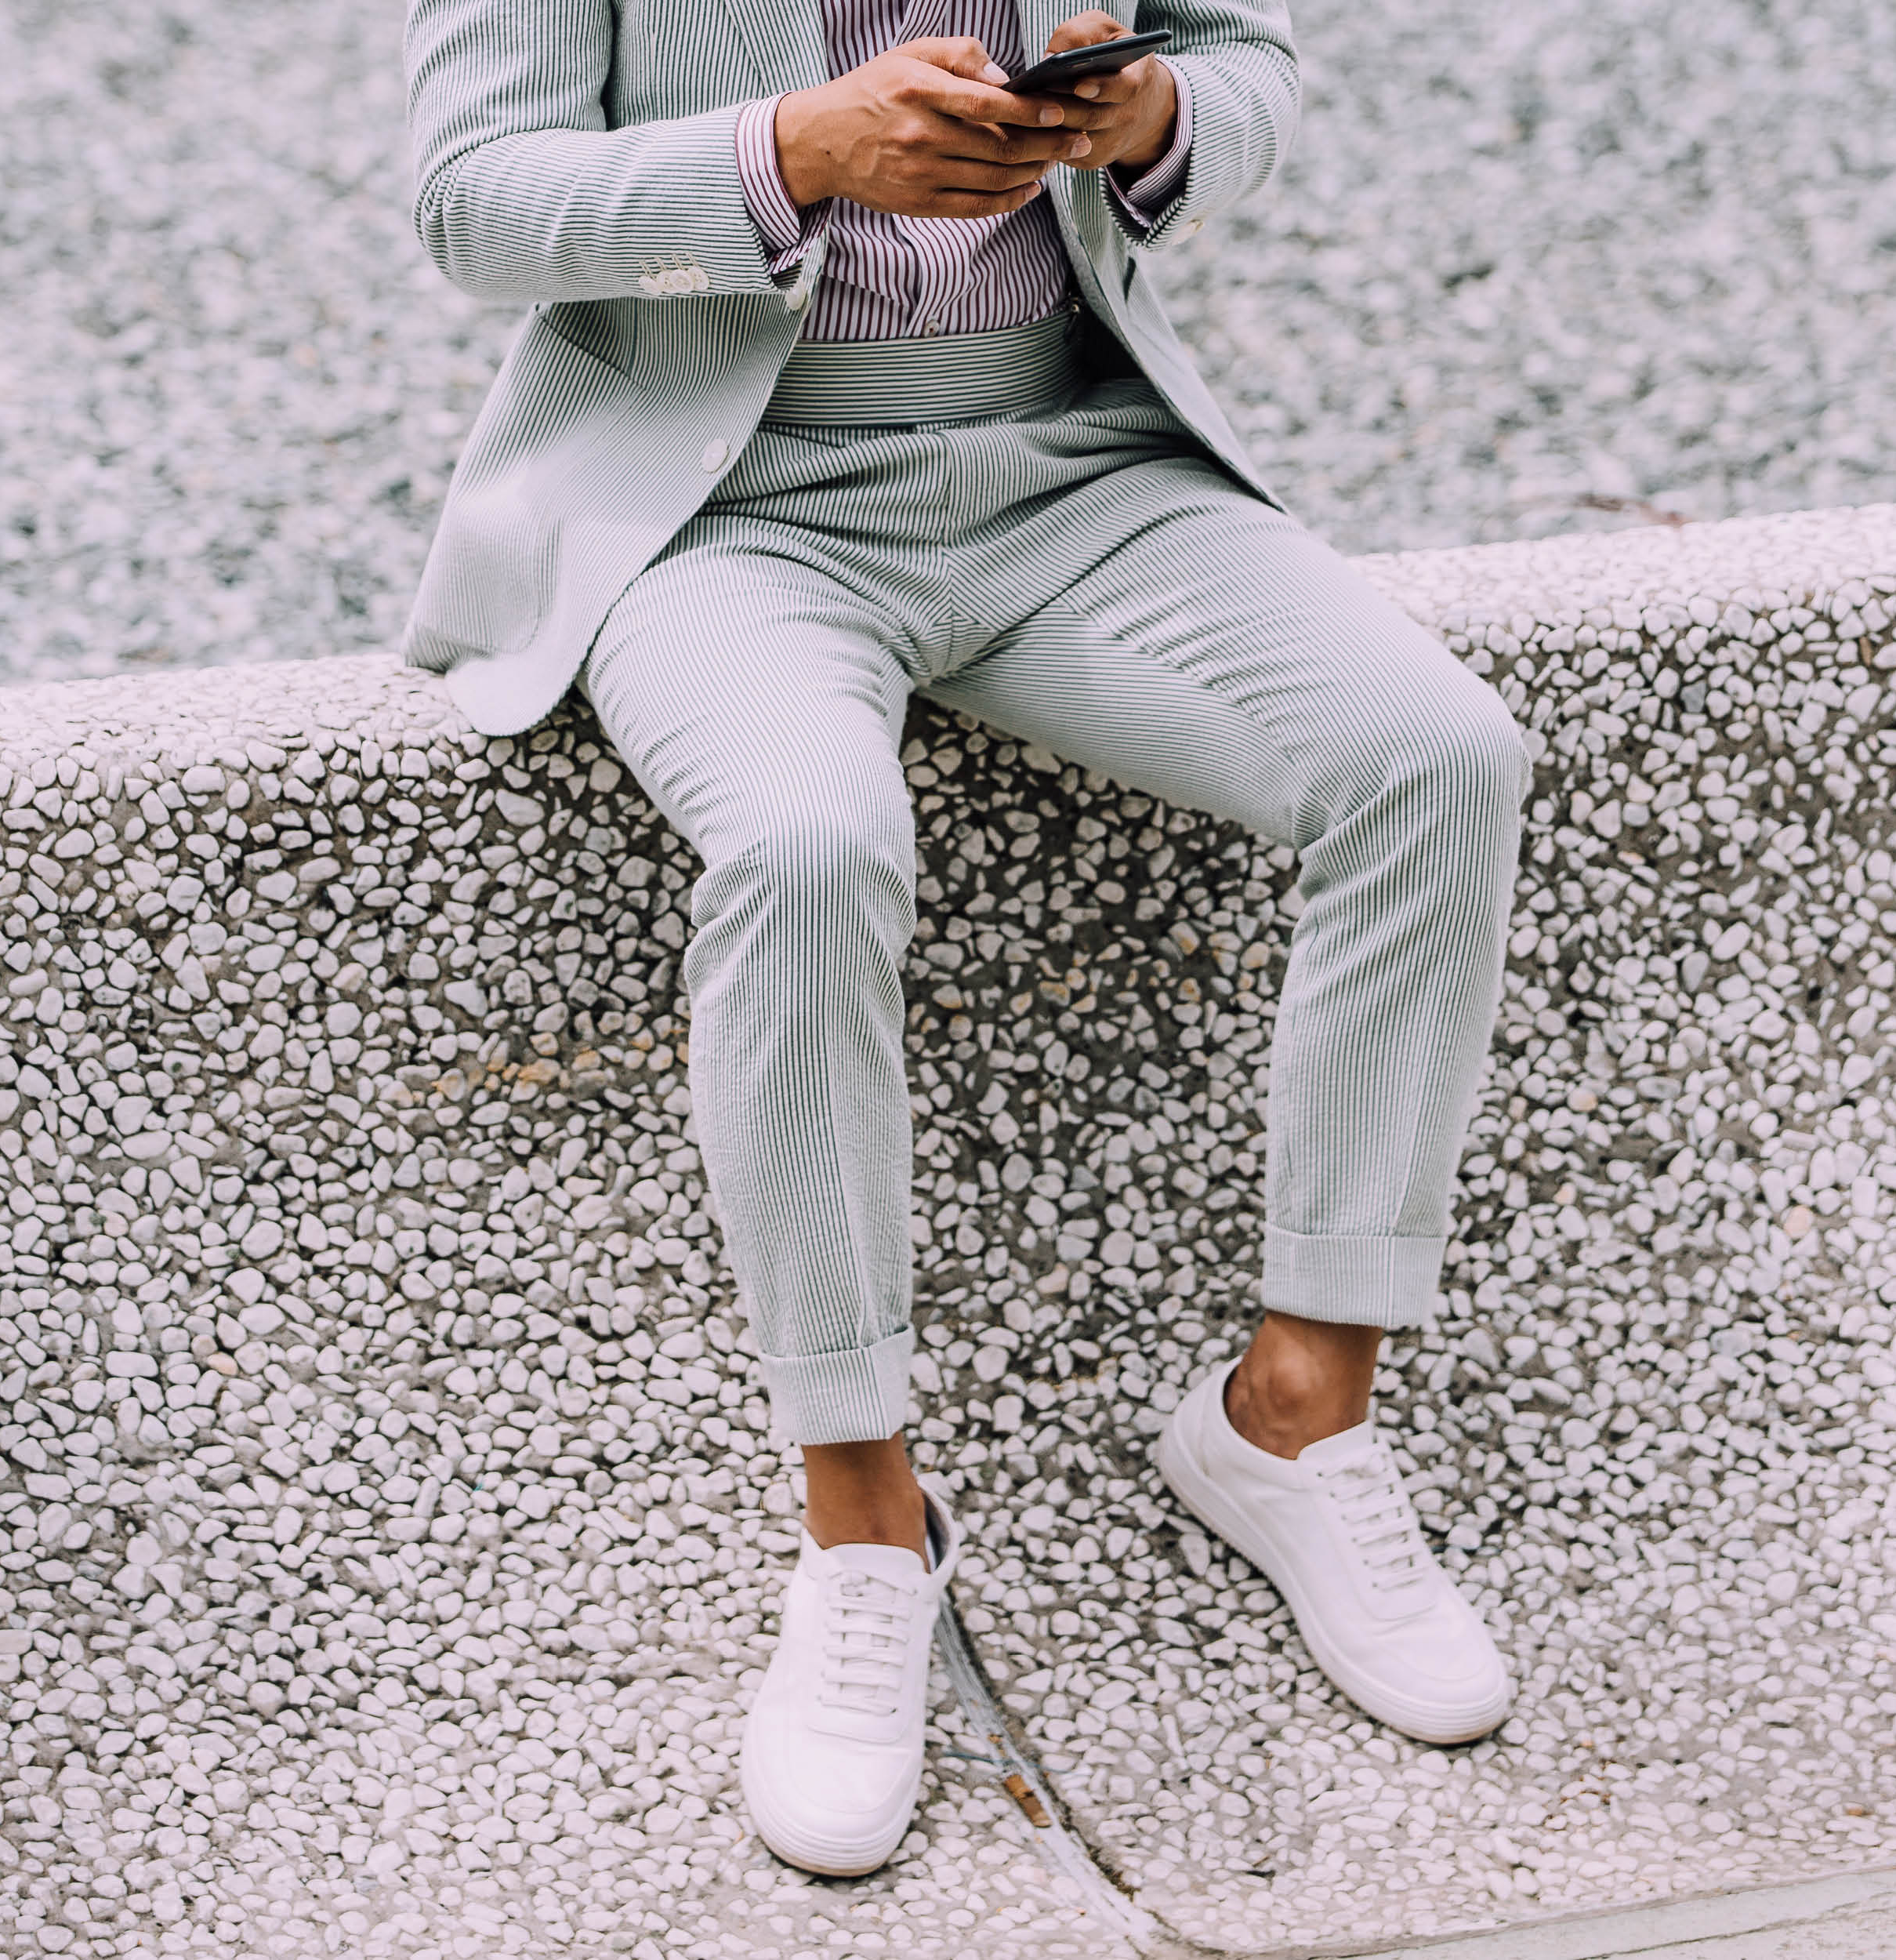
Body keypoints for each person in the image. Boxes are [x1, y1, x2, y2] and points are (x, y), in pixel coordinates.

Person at [403, 0, 1532, 1878]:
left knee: (1435, 755)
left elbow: (1248, 67)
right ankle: (863, 1527)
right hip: (721, 519)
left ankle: (1288, 1415)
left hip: (1083, 479)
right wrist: (789, 156)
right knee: (806, 840)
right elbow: (467, 203)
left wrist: (1153, 112)